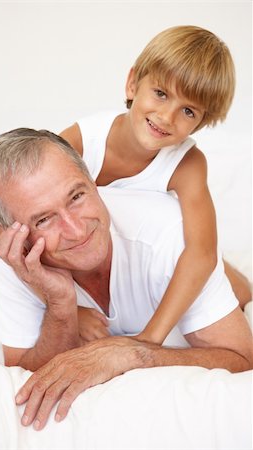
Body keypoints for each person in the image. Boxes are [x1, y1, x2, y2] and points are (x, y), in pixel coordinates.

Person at [0, 128, 253, 430]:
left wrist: (135, 355)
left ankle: (226, 271)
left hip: (155, 243)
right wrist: (61, 304)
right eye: (44, 219)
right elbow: (24, 372)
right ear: (13, 232)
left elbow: (243, 357)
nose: (77, 230)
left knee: (241, 293)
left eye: (77, 196)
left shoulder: (169, 232)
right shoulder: (10, 255)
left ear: (94, 182)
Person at [60, 25, 251, 345]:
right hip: (96, 254)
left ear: (200, 123)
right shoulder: (81, 141)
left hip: (145, 254)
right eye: (161, 94)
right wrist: (71, 310)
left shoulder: (187, 163)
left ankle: (232, 269)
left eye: (188, 111)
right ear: (133, 83)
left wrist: (151, 336)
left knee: (241, 292)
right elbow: (31, 219)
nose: (166, 116)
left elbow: (201, 254)